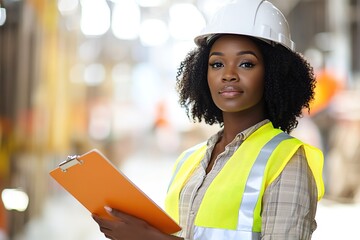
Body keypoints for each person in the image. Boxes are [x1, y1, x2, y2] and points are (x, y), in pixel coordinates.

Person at [92, 0, 325, 239]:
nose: (228, 75)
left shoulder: (287, 161)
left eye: (246, 63)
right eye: (217, 64)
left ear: (275, 74)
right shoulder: (188, 161)